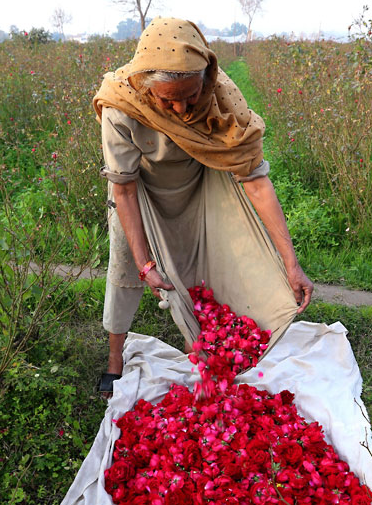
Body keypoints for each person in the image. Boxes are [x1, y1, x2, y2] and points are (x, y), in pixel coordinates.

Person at [93, 17, 313, 395]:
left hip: (199, 187)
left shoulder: (223, 99)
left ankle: (203, 341)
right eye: (167, 100)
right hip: (140, 192)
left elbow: (257, 182)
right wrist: (146, 263)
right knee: (125, 269)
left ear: (206, 81)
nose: (181, 109)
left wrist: (292, 265)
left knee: (209, 265)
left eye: (191, 96)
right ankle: (115, 360)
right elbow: (125, 190)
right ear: (146, 88)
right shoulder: (120, 103)